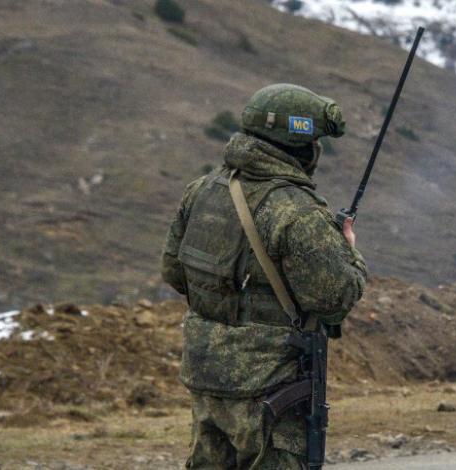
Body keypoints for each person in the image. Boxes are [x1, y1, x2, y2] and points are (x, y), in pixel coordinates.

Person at [161, 83, 367, 469]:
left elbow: (174, 271)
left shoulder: (202, 191)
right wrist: (349, 251)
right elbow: (335, 297)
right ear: (303, 147)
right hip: (271, 382)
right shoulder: (298, 212)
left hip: (207, 375)